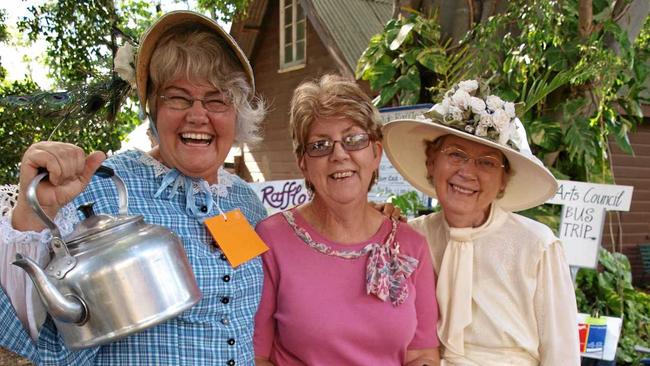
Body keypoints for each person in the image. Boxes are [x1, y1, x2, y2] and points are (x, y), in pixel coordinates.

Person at [0, 10, 267, 365]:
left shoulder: (245, 201)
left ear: (237, 115)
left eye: (217, 100)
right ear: (152, 110)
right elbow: (27, 322)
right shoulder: (99, 187)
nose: (198, 115)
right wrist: (37, 214)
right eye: (178, 97)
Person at [381, 79, 580, 365]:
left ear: (503, 181)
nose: (467, 172)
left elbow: (562, 352)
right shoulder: (412, 238)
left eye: (486, 162)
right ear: (430, 163)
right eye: (455, 155)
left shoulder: (537, 244)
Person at [253, 74, 440, 366]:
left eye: (353, 140)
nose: (339, 154)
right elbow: (257, 355)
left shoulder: (411, 245)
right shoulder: (271, 240)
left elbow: (422, 354)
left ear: (376, 152)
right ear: (303, 162)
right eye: (320, 145)